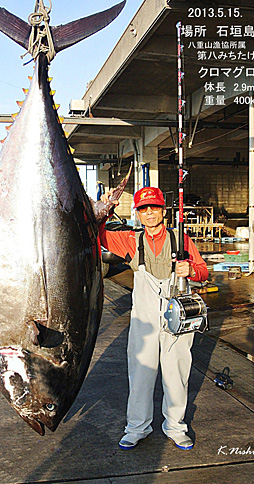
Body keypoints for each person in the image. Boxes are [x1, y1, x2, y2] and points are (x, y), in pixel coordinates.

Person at [99, 186, 208, 451]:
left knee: (177, 373)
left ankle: (175, 426)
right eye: (144, 209)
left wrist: (190, 269)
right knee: (140, 374)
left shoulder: (180, 239)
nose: (149, 213)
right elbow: (97, 233)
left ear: (163, 211)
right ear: (137, 213)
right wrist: (104, 209)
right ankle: (137, 427)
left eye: (154, 208)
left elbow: (203, 272)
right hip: (144, 319)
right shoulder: (129, 240)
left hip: (176, 316)